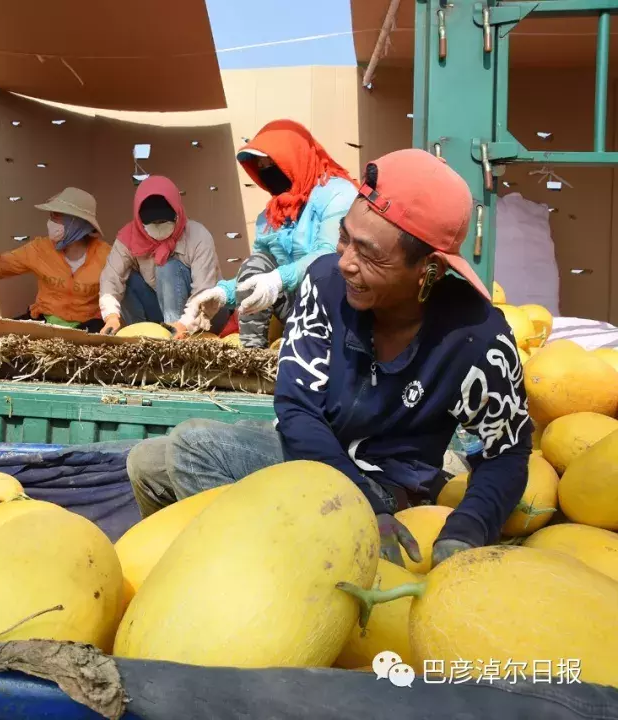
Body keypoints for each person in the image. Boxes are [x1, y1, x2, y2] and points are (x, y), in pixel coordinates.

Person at [126, 149, 532, 570]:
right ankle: (218, 570)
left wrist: (469, 527)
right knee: (147, 462)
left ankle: (265, 580)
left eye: (369, 254)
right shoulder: (325, 283)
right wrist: (356, 502)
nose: (346, 263)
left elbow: (507, 450)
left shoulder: (478, 341)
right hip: (316, 456)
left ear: (428, 270)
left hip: (392, 486)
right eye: (344, 238)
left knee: (195, 445)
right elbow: (298, 409)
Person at [178, 120, 357, 347]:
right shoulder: (271, 215)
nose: (267, 172)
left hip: (338, 304)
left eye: (272, 163)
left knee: (324, 268)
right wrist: (223, 293)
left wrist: (279, 279)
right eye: (260, 166)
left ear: (294, 157)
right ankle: (252, 353)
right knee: (257, 262)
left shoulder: (336, 194)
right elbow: (259, 274)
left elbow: (330, 256)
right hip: (297, 307)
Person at [0, 187, 111, 333]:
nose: (50, 223)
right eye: (50, 216)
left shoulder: (106, 256)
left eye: (56, 217)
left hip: (88, 327)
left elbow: (125, 287)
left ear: (76, 222)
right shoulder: (39, 249)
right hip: (44, 322)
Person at [99, 176, 222, 336]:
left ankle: (174, 340)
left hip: (207, 314)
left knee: (167, 266)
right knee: (127, 279)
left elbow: (205, 292)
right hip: (159, 310)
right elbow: (111, 280)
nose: (158, 227)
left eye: (164, 221)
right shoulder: (128, 239)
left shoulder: (198, 236)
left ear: (176, 213)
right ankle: (141, 337)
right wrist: (111, 316)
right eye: (152, 222)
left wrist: (183, 324)